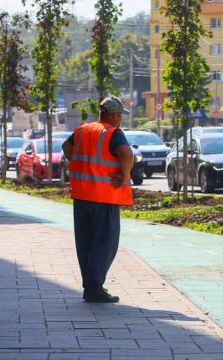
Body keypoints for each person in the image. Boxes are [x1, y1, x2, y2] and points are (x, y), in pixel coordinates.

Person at [62, 96, 135, 304]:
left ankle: (90, 286)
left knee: (85, 243)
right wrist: (124, 174)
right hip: (104, 197)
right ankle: (94, 288)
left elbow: (66, 148)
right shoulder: (112, 133)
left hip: (82, 195)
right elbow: (126, 154)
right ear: (114, 114)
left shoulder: (83, 129)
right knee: (104, 243)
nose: (120, 119)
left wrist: (79, 164)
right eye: (120, 115)